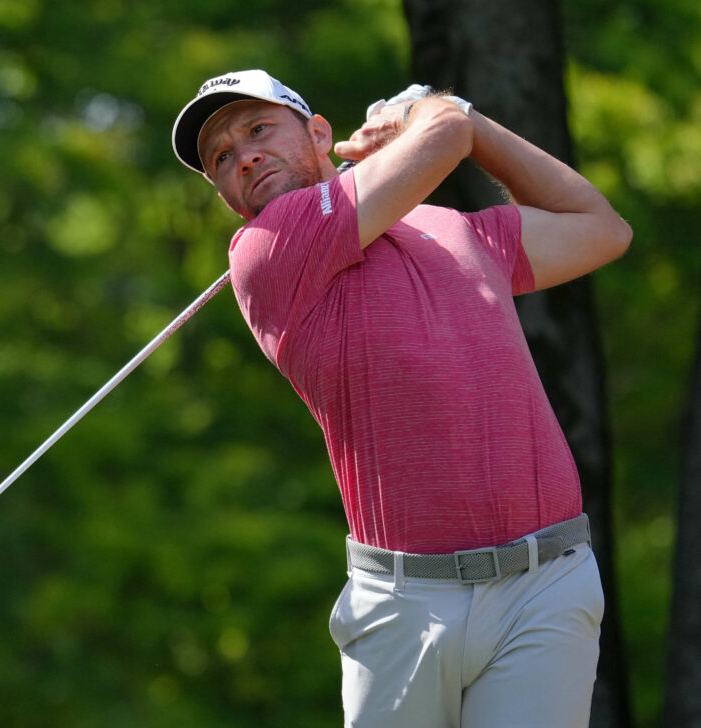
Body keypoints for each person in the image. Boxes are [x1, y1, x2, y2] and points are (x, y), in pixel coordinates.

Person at [170, 70, 631, 728]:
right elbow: (443, 132)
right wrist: (438, 114)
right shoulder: (267, 247)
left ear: (320, 134)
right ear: (224, 193)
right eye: (221, 157)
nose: (242, 155)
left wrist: (474, 127)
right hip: (407, 605)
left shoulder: (458, 231)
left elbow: (602, 228)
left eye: (257, 129)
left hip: (545, 583)